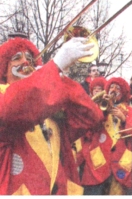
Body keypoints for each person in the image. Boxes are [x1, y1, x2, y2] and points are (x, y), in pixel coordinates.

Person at [0, 36, 105, 195]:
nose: (26, 62)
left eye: (30, 58)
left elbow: (91, 118)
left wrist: (61, 80)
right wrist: (54, 67)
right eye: (17, 58)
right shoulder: (4, 97)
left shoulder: (47, 103)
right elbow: (12, 108)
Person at [75, 77, 132, 195]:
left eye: (118, 88)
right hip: (97, 163)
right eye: (111, 87)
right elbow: (87, 127)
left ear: (123, 93)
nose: (114, 90)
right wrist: (103, 112)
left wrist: (124, 119)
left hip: (120, 163)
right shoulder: (98, 107)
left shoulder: (129, 111)